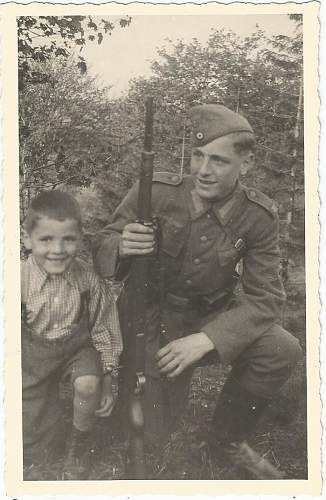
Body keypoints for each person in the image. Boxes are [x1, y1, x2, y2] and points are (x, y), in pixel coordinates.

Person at [93, 104, 302, 477]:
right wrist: (122, 245)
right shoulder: (155, 192)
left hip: (209, 317)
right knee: (151, 435)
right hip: (149, 318)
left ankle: (227, 440)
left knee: (281, 348)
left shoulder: (258, 216)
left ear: (247, 164)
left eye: (219, 161)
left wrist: (208, 338)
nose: (203, 171)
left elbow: (266, 299)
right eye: (198, 156)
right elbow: (102, 245)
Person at [21, 190, 122, 480]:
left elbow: (105, 327)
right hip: (32, 356)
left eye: (68, 239)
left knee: (88, 385)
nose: (58, 249)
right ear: (27, 239)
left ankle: (79, 447)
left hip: (75, 350)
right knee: (33, 447)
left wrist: (107, 379)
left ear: (79, 239)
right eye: (46, 239)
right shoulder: (17, 281)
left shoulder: (88, 279)